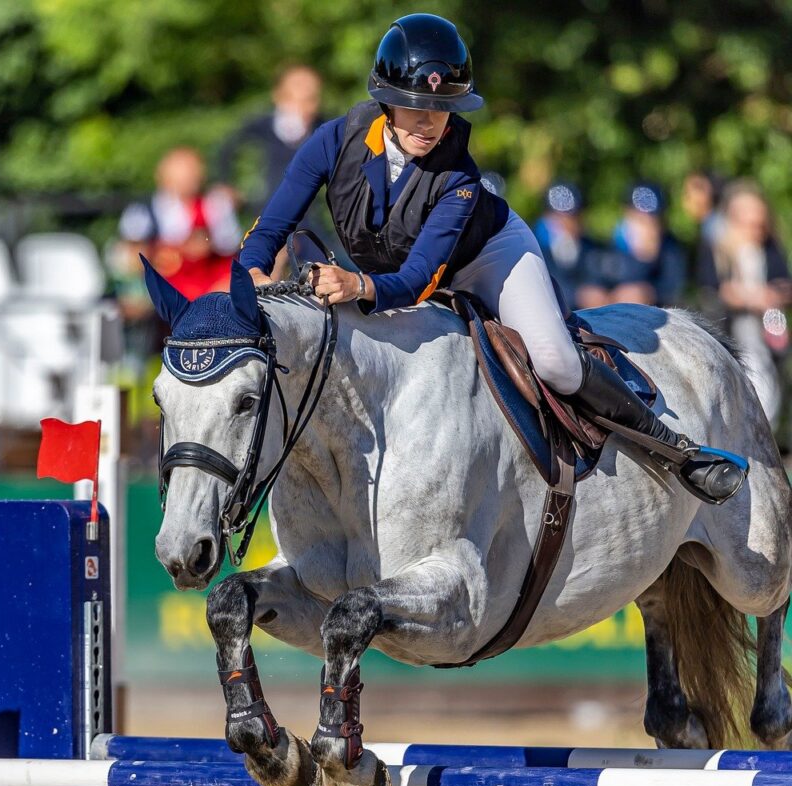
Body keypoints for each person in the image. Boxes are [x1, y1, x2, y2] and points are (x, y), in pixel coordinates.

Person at [237, 13, 744, 504]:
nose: (429, 122)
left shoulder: (458, 174)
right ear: (386, 102)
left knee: (555, 363)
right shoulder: (333, 140)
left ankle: (676, 449)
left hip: (491, 256)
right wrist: (252, 275)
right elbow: (273, 224)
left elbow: (420, 279)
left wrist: (359, 286)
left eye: (443, 108)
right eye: (415, 106)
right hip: (394, 272)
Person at [698, 180, 791, 429]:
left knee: (768, 393)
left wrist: (772, 295)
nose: (755, 230)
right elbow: (713, 290)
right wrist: (751, 296)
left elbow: (784, 283)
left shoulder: (769, 248)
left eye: (760, 224)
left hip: (765, 336)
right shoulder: (718, 249)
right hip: (730, 332)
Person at [118, 146, 243, 301]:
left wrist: (206, 245)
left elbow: (230, 246)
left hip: (213, 284)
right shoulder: (145, 210)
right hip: (168, 288)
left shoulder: (215, 204)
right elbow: (131, 256)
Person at [218, 66, 324, 211]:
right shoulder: (255, 129)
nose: (303, 107)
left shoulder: (326, 132)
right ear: (278, 96)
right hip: (261, 215)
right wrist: (230, 187)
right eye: (294, 98)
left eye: (310, 99)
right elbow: (226, 154)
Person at [578, 183, 686, 309]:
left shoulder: (670, 250)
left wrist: (648, 292)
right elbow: (591, 282)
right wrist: (594, 293)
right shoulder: (608, 247)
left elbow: (673, 289)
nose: (647, 228)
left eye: (652, 222)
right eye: (640, 220)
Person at [532, 181, 603, 309]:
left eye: (573, 217)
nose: (568, 224)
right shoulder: (532, 246)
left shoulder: (589, 246)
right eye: (560, 218)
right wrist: (577, 295)